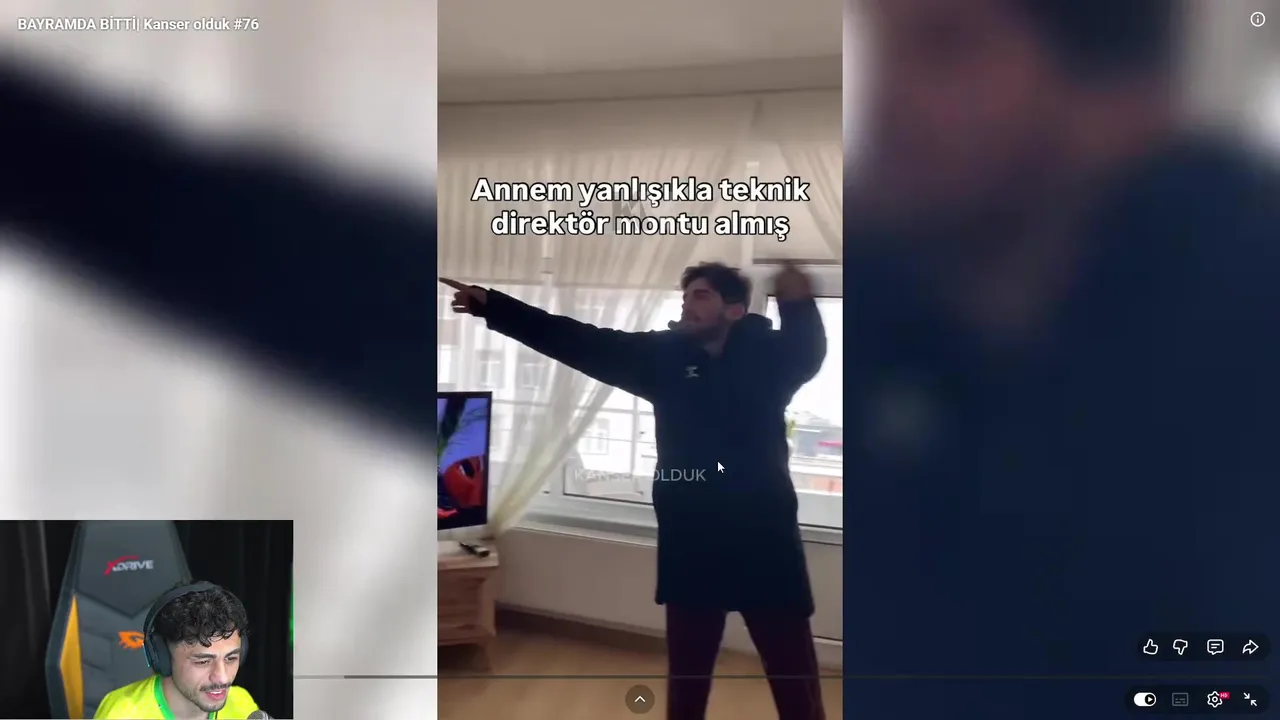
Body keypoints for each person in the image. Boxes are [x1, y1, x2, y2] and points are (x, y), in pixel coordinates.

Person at [844, 0, 1280, 717]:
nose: (885, 105)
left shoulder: (1244, 314)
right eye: (882, 55)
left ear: (1119, 95)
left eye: (945, 51)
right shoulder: (896, 285)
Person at [441, 261, 827, 720]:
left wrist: (798, 303)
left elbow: (807, 351)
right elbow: (581, 341)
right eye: (685, 297)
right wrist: (495, 307)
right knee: (687, 681)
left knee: (794, 681)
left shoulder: (769, 360)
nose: (687, 304)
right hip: (692, 543)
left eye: (701, 295)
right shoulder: (663, 359)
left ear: (734, 310)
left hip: (765, 542)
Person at [95, 582, 259, 719]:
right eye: (203, 662)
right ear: (163, 658)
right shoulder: (121, 714)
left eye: (230, 658)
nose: (223, 678)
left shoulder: (241, 704)